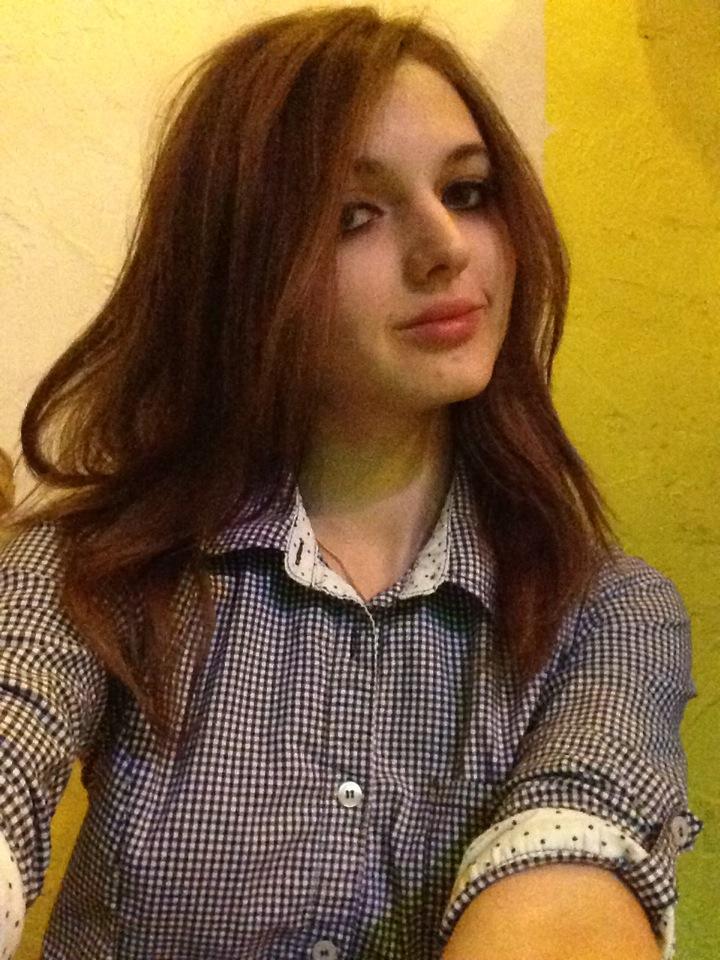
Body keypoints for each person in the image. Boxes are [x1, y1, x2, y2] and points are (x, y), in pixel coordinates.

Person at [0, 6, 702, 959]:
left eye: (468, 191)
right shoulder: (86, 573)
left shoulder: (608, 613)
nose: (446, 247)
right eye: (353, 215)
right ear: (237, 261)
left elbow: (572, 868)